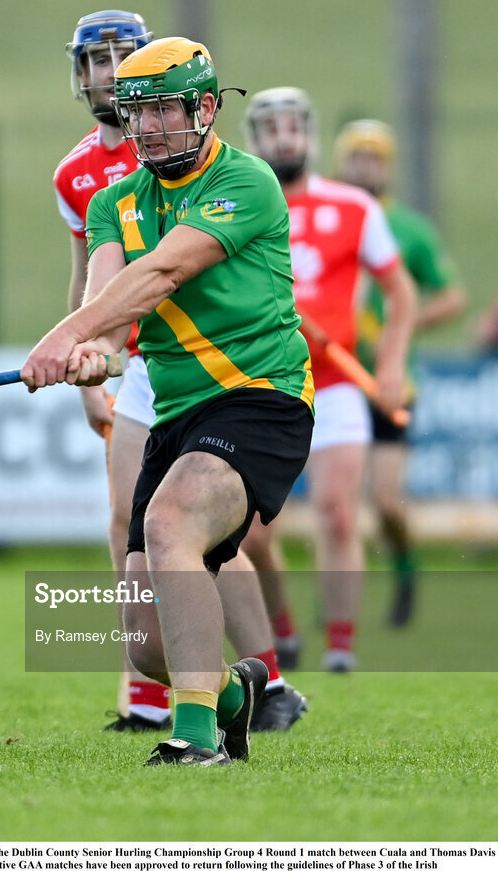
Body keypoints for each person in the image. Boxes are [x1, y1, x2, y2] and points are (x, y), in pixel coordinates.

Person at [24, 37, 315, 766]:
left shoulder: (244, 183)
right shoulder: (111, 202)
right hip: (178, 412)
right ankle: (228, 695)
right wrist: (94, 353)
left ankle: (195, 740)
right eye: (136, 111)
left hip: (258, 396)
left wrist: (66, 334)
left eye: (163, 109)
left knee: (170, 519)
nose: (147, 127)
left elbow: (162, 272)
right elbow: (111, 302)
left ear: (205, 108)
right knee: (147, 645)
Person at [240, 89, 416, 672]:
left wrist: (389, 365)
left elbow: (401, 293)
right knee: (255, 531)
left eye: (294, 127)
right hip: (266, 381)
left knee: (339, 511)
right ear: (254, 138)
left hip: (337, 382)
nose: (284, 138)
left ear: (310, 135)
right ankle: (284, 631)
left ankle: (341, 645)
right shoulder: (235, 205)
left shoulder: (354, 208)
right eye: (271, 129)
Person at [332, 119, 466, 626]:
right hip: (332, 378)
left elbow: (452, 295)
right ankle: (339, 599)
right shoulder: (324, 217)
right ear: (340, 162)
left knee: (386, 502)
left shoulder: (409, 229)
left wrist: (400, 328)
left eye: (375, 157)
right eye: (356, 156)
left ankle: (406, 571)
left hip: (389, 381)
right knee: (337, 503)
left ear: (388, 167)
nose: (365, 166)